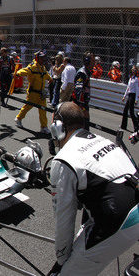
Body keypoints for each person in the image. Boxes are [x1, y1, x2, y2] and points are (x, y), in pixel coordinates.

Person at [48, 102, 138, 276]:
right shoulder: (103, 140)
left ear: (58, 128)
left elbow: (63, 218)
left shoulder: (63, 160)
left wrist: (62, 259)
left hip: (117, 222)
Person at [14, 51, 52, 134]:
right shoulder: (33, 66)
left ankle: (44, 127)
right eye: (41, 57)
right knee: (27, 107)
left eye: (43, 57)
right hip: (33, 93)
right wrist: (18, 73)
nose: (43, 59)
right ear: (37, 58)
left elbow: (46, 75)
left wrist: (50, 79)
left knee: (43, 110)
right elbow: (25, 71)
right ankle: (18, 118)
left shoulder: (43, 68)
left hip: (41, 94)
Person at [73, 52, 94, 130]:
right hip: (80, 105)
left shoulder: (87, 72)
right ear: (87, 61)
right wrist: (82, 107)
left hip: (84, 103)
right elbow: (78, 91)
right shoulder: (82, 73)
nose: (94, 62)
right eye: (92, 60)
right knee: (81, 127)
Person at [121, 66, 139, 131]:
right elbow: (127, 88)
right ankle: (123, 126)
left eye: (134, 69)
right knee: (125, 110)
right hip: (129, 95)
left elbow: (137, 90)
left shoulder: (136, 79)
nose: (133, 70)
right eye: (132, 69)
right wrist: (124, 96)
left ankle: (136, 127)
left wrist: (136, 99)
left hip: (133, 95)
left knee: (131, 111)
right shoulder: (130, 78)